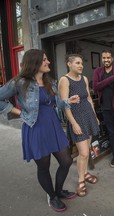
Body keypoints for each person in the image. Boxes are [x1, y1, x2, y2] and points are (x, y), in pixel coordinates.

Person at [0, 49, 80, 212]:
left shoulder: (50, 82)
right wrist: (19, 112)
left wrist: (67, 101)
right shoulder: (20, 82)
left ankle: (58, 191)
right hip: (35, 128)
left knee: (66, 161)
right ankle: (52, 196)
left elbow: (57, 104)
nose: (48, 62)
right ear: (35, 62)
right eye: (45, 59)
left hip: (54, 127)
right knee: (44, 167)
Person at [58, 54, 100, 197]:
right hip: (76, 118)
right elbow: (65, 105)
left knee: (87, 150)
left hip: (88, 116)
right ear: (69, 64)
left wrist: (94, 115)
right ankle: (81, 182)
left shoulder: (84, 79)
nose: (81, 65)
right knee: (83, 153)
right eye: (77, 63)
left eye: (81, 63)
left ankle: (86, 173)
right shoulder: (64, 80)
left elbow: (88, 98)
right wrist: (73, 123)